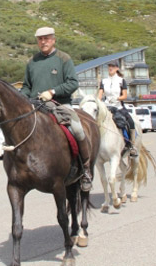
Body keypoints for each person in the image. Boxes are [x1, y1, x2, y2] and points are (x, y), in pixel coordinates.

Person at [21, 26, 93, 191]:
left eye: (47, 38)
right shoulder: (32, 62)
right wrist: (21, 97)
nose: (43, 41)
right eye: (40, 39)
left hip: (60, 104)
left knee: (78, 129)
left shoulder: (64, 59)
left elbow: (73, 83)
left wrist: (52, 92)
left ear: (53, 39)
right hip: (36, 105)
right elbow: (26, 86)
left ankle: (86, 169)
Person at [97, 60, 136, 155]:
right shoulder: (104, 81)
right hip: (106, 106)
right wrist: (98, 102)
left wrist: (117, 98)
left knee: (130, 121)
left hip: (118, 106)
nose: (110, 68)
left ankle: (131, 145)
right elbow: (100, 95)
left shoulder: (121, 81)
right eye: (109, 66)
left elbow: (125, 96)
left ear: (117, 68)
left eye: (113, 66)